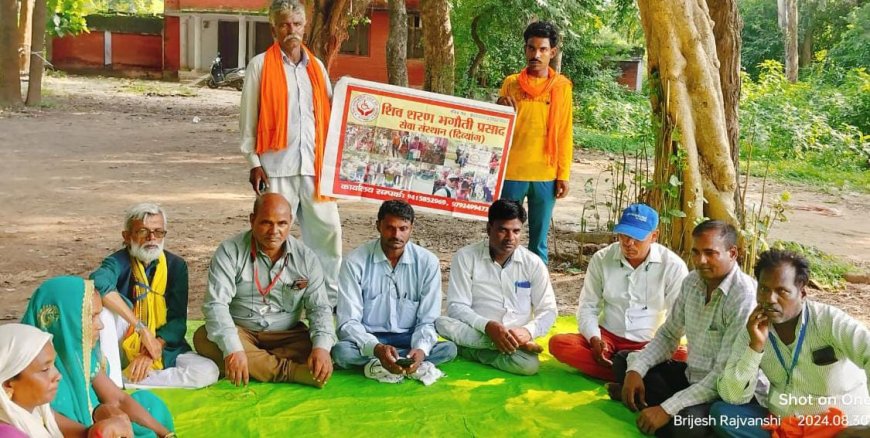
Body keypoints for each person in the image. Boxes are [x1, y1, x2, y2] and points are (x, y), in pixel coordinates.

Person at [610, 220, 757, 437]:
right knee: (625, 361)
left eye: (710, 253)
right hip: (691, 377)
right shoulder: (692, 282)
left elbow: (723, 376)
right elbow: (669, 334)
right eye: (696, 252)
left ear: (733, 253)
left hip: (723, 393)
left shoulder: (743, 296)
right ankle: (653, 402)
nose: (700, 261)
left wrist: (667, 409)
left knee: (686, 426)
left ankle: (658, 407)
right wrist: (635, 370)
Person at [240, 0, 342, 306]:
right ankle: (268, 300)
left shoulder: (317, 67)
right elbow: (248, 118)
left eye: (297, 24)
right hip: (276, 168)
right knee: (272, 237)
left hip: (315, 168)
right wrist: (254, 162)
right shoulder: (260, 65)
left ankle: (327, 300)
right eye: (285, 24)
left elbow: (330, 114)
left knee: (328, 234)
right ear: (274, 28)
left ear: (304, 27)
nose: (291, 30)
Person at [712, 249, 870, 437]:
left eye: (782, 291)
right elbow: (733, 396)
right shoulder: (753, 329)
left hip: (836, 429)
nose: (770, 299)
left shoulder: (828, 321)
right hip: (784, 425)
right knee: (722, 414)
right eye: (764, 289)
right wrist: (755, 348)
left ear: (802, 293)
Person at [194, 193, 336, 388]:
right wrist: (234, 349)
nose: (274, 231)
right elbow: (216, 305)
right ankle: (291, 372)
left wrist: (321, 349)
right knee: (204, 338)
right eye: (266, 223)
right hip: (241, 331)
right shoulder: (229, 251)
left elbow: (319, 308)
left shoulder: (306, 258)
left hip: (287, 335)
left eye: (282, 224)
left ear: (291, 223)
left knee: (326, 346)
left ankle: (254, 364)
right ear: (252, 220)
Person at [549, 204, 689, 382]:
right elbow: (588, 306)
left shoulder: (673, 266)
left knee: (686, 357)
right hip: (608, 339)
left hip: (651, 343)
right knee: (560, 344)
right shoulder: (602, 258)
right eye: (624, 235)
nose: (628, 243)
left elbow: (677, 319)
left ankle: (621, 371)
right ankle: (638, 375)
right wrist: (594, 339)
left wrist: (653, 351)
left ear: (654, 236)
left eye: (636, 237)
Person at [21, 276, 175, 438]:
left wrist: (167, 435)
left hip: (97, 424)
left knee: (148, 404)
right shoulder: (29, 375)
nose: (100, 325)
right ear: (64, 321)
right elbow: (54, 423)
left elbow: (118, 399)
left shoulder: (80, 355)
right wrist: (100, 425)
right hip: (82, 432)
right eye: (92, 317)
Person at [90, 202, 218, 389]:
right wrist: (141, 329)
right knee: (104, 314)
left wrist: (151, 349)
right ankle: (116, 378)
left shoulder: (176, 265)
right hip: (123, 344)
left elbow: (177, 321)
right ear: (127, 237)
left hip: (164, 347)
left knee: (208, 372)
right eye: (143, 231)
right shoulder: (118, 261)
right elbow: (98, 282)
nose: (152, 238)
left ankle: (127, 379)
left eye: (158, 232)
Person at [332, 200, 457, 383]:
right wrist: (376, 348)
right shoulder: (354, 262)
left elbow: (428, 319)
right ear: (378, 226)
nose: (396, 235)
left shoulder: (427, 262)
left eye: (403, 228)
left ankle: (390, 363)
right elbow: (348, 322)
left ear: (411, 228)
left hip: (409, 338)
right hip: (371, 337)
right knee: (341, 352)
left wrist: (421, 349)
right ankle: (394, 362)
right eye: (390, 228)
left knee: (449, 349)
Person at [436, 200, 558, 375]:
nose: (510, 238)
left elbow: (548, 310)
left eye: (516, 231)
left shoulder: (533, 263)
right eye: (503, 230)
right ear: (489, 229)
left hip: (512, 334)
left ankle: (473, 349)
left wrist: (527, 331)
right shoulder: (466, 257)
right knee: (441, 323)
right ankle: (511, 347)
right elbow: (456, 306)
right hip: (477, 329)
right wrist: (488, 327)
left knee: (529, 367)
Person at [496, 21, 573, 265]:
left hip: (545, 174)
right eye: (531, 48)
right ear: (525, 49)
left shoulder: (561, 88)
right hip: (512, 171)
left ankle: (537, 289)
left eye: (542, 49)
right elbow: (498, 124)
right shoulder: (511, 83)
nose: (535, 55)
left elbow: (564, 132)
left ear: (553, 52)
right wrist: (498, 107)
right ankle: (502, 277)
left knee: (538, 239)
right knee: (504, 232)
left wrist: (563, 174)